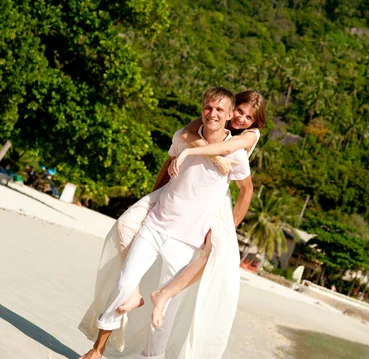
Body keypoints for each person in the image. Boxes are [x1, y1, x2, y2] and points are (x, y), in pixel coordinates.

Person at [78, 90, 266, 358]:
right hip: (157, 223)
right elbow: (170, 161)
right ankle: (97, 349)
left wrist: (228, 227)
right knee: (123, 281)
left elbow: (245, 188)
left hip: (191, 237)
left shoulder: (240, 149)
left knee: (166, 313)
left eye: (222, 111)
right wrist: (152, 199)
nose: (237, 118)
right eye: (209, 108)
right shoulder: (187, 135)